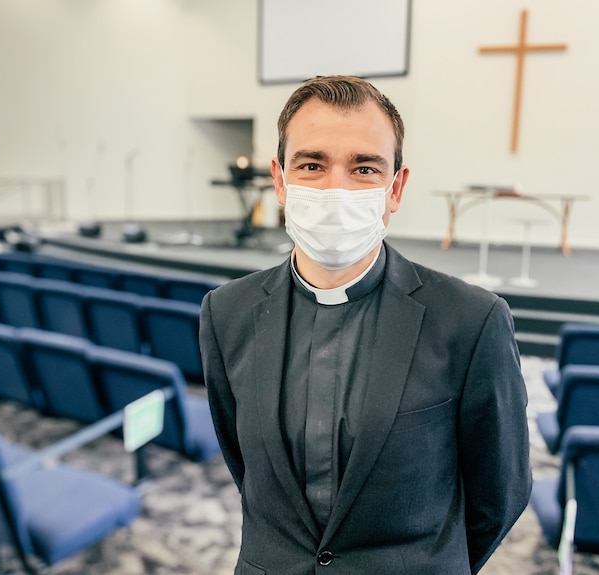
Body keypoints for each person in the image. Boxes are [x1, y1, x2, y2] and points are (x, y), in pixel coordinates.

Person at [199, 75, 531, 575]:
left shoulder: (470, 321)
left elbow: (498, 495)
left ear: (395, 188)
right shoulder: (227, 313)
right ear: (280, 180)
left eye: (364, 168)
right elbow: (247, 469)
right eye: (311, 165)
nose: (336, 188)